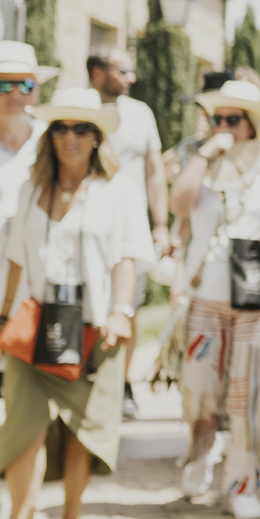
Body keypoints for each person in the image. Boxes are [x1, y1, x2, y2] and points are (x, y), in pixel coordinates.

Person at [0, 88, 147, 519]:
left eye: (82, 128)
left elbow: (127, 258)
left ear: (97, 137)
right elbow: (15, 258)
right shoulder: (31, 189)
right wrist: (3, 319)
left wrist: (120, 311)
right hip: (35, 327)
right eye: (61, 128)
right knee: (23, 428)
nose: (70, 138)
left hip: (96, 327)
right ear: (48, 136)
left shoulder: (119, 189)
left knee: (82, 434)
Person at [169, 80, 260, 519]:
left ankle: (241, 484)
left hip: (255, 301)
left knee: (244, 400)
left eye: (233, 119)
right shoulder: (201, 166)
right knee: (199, 394)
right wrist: (206, 153)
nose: (224, 127)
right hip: (205, 297)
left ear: (252, 126)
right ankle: (199, 452)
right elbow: (178, 205)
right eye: (217, 119)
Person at [0, 42, 51, 519]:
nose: (16, 93)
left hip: (35, 302)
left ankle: (26, 512)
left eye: (26, 83)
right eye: (5, 83)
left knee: (32, 415)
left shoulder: (52, 141)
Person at [87, 48, 168, 420]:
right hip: (84, 228)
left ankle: (121, 382)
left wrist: (161, 223)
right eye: (124, 71)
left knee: (128, 306)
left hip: (128, 231)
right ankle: (86, 375)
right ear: (98, 72)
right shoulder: (78, 109)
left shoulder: (140, 114)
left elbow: (154, 170)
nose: (132, 78)